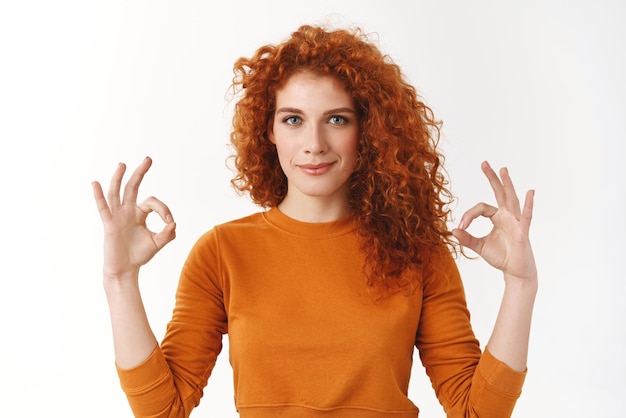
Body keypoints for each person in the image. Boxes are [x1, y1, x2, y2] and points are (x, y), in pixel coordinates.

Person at [92, 25, 537, 418]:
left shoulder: (416, 252)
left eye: (336, 120)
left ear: (368, 129)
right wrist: (119, 280)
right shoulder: (222, 253)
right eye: (293, 120)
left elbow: (477, 412)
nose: (314, 144)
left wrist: (520, 286)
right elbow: (163, 411)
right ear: (270, 130)